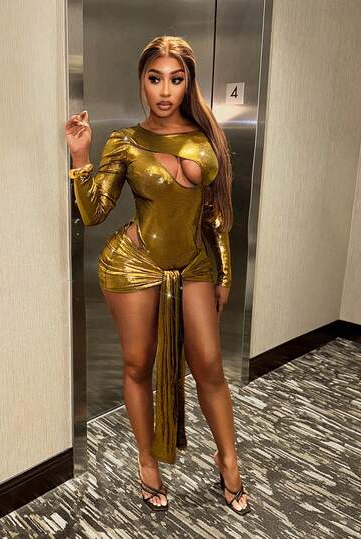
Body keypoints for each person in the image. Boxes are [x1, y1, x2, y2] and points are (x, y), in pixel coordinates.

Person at [65, 35, 250, 516]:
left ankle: (228, 461)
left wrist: (225, 273)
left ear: (189, 82)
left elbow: (215, 215)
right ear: (142, 81)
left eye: (176, 79)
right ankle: (147, 463)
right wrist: (81, 158)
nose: (165, 91)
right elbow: (94, 213)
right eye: (155, 78)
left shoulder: (207, 136)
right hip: (134, 263)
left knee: (209, 366)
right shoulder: (126, 141)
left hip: (194, 264)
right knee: (137, 364)